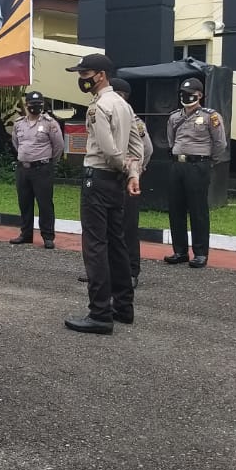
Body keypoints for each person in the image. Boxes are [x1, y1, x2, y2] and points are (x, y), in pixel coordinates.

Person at [63, 54, 142, 335]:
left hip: (97, 178)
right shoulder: (123, 104)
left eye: (86, 73)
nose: (82, 78)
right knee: (117, 243)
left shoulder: (98, 107)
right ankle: (124, 307)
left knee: (95, 246)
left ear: (101, 75)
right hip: (116, 181)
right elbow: (137, 145)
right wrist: (132, 174)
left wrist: (122, 166)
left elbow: (109, 150)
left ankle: (99, 313)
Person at [164, 77, 226, 269]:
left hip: (198, 165)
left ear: (200, 95)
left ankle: (200, 253)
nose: (186, 96)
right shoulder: (175, 117)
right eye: (183, 92)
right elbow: (170, 141)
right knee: (176, 209)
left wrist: (206, 162)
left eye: (191, 93)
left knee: (198, 210)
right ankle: (180, 251)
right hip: (177, 165)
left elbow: (220, 144)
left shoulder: (210, 116)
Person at [10, 91, 64, 249]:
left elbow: (58, 146)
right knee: (24, 203)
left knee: (45, 203)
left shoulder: (50, 123)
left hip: (42, 168)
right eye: (32, 104)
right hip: (23, 169)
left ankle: (48, 236)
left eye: (38, 104)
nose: (35, 107)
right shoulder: (19, 123)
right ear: (26, 105)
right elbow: (16, 143)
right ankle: (25, 234)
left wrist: (49, 163)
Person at [114, 78, 153, 286]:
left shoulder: (134, 121)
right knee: (105, 227)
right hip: (107, 177)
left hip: (126, 178)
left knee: (128, 225)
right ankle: (104, 270)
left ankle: (131, 271)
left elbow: (147, 150)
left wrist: (135, 171)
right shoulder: (107, 117)